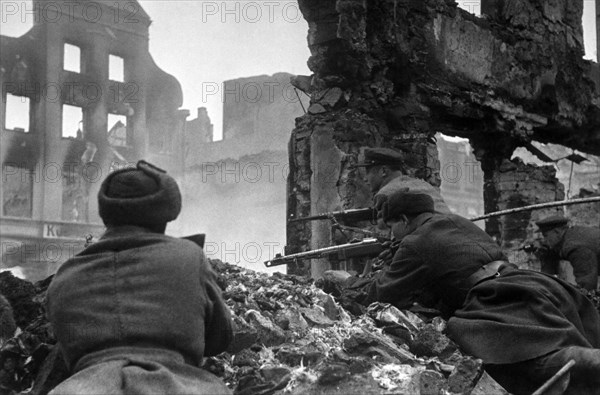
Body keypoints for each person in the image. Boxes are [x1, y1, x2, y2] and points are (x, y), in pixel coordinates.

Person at [328, 190, 600, 394]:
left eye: (391, 226)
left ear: (404, 219)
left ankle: (588, 364)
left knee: (512, 352)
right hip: (533, 283)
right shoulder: (458, 222)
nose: (390, 235)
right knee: (569, 335)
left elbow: (382, 292)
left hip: (496, 296)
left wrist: (348, 281)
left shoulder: (415, 242)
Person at [46, 160, 233, 394]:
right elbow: (220, 338)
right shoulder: (189, 257)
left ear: (106, 216)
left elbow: (65, 350)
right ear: (164, 217)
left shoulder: (65, 277)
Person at [353, 147, 451, 215]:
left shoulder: (386, 194)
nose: (365, 178)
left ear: (383, 171)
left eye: (368, 172)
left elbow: (387, 233)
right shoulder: (423, 184)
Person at [535, 215, 600, 290]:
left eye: (545, 236)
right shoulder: (570, 235)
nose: (544, 240)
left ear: (557, 232)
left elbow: (587, 282)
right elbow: (553, 255)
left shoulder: (574, 246)